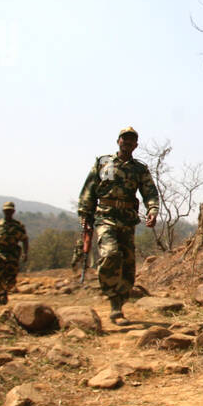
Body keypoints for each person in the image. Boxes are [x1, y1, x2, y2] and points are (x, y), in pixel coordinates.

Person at [77, 126, 158, 324]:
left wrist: (153, 210)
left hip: (127, 219)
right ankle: (113, 302)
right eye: (125, 139)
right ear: (118, 141)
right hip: (105, 217)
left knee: (128, 264)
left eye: (132, 141)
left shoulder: (139, 168)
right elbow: (89, 189)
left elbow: (150, 192)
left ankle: (120, 302)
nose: (128, 143)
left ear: (136, 145)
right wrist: (84, 214)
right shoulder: (104, 162)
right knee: (110, 254)